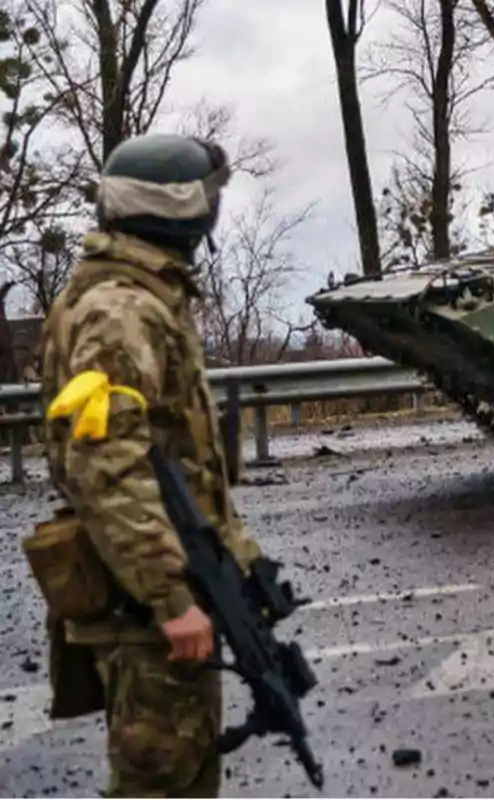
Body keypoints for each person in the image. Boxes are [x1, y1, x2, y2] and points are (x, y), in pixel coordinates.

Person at [34, 132, 265, 797]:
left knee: (185, 771)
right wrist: (169, 599)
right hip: (147, 603)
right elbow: (108, 469)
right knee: (159, 782)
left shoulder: (137, 294)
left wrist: (236, 566)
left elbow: (177, 464)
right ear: (184, 208)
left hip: (165, 584)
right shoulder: (121, 310)